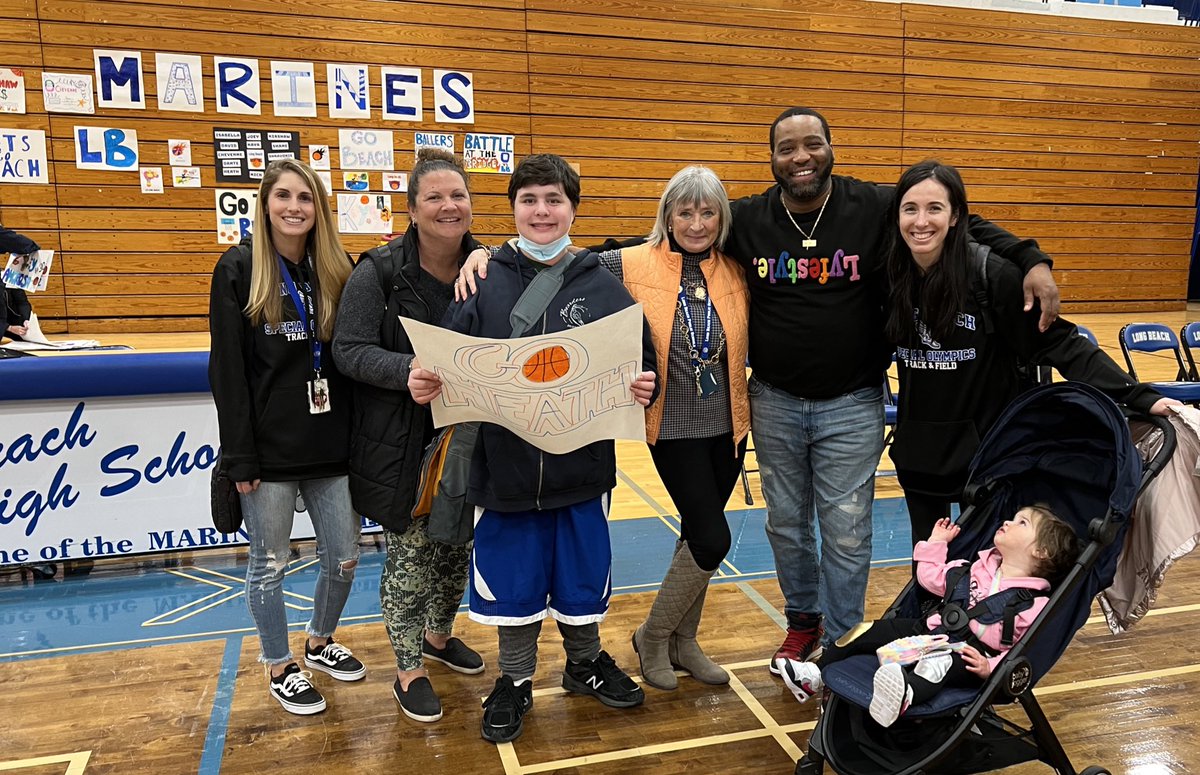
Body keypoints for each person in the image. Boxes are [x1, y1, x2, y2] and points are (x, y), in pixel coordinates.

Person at [725, 107, 1063, 674]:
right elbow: (683, 231)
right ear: (772, 158)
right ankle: (801, 623)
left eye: (812, 144)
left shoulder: (875, 205)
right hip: (775, 400)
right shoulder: (749, 219)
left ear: (832, 147)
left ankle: (840, 637)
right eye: (787, 148)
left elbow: (960, 221)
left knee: (847, 529)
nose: (801, 157)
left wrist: (1031, 258)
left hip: (853, 401)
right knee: (785, 523)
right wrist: (585, 257)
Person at [410, 153, 659, 744]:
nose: (542, 212)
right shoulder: (482, 278)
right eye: (529, 200)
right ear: (513, 209)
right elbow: (452, 357)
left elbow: (639, 358)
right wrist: (431, 377)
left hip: (583, 469)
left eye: (554, 200)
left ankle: (584, 663)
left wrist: (642, 382)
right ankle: (516, 680)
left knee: (580, 577)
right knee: (513, 581)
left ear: (572, 207)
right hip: (505, 472)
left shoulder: (602, 284)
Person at [882, 160, 1179, 547]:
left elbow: (1060, 342)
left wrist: (1139, 396)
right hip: (920, 459)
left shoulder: (993, 277)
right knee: (927, 570)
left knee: (989, 576)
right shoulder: (888, 275)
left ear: (956, 217)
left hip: (989, 461)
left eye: (935, 208)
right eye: (911, 209)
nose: (921, 221)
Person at [332, 148, 486, 724]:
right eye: (435, 197)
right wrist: (405, 373)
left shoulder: (492, 265)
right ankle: (407, 666)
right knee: (413, 554)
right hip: (402, 439)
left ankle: (439, 637)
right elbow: (347, 350)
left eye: (458, 195)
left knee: (456, 546)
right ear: (413, 209)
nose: (450, 206)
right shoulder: (378, 271)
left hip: (467, 435)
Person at [209, 158, 364, 716]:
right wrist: (239, 456)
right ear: (266, 203)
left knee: (345, 558)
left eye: (306, 197)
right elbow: (227, 371)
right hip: (267, 452)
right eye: (284, 196)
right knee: (269, 563)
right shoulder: (238, 268)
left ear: (319, 207)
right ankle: (280, 664)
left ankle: (319, 641)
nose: (295, 207)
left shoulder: (336, 269)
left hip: (330, 445)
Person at [596, 166, 749, 690]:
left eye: (708, 212)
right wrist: (485, 253)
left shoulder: (734, 269)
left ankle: (687, 642)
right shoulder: (631, 262)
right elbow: (562, 266)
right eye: (685, 211)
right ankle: (653, 635)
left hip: (728, 424)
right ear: (668, 214)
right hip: (673, 425)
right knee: (712, 537)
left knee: (693, 535)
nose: (697, 222)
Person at [780, 507, 1079, 727]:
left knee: (940, 662)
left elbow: (1022, 651)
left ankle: (904, 694)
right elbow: (928, 578)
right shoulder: (971, 568)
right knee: (865, 630)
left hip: (967, 655)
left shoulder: (1034, 606)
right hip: (926, 631)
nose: (1008, 521)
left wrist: (991, 666)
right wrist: (937, 542)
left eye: (1021, 523)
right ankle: (815, 675)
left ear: (1041, 551)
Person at [0, 225, 37, 340]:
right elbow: (17, 242)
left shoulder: (10, 278)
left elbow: (22, 302)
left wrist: (26, 320)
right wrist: (8, 328)